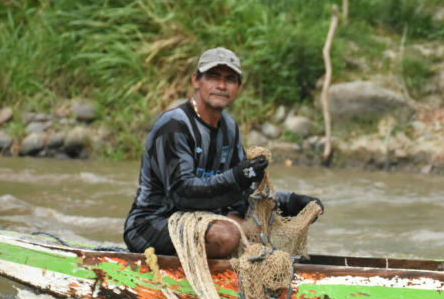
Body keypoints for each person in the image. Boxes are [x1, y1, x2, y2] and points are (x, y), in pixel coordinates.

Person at [124, 47, 323, 258]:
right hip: (151, 224)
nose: (221, 85)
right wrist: (237, 177)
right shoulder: (174, 126)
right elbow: (182, 193)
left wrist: (290, 202)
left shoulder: (229, 127)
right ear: (196, 80)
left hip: (201, 220)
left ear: (238, 87)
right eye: (213, 77)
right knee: (228, 236)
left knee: (254, 228)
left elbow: (243, 196)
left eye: (229, 79)